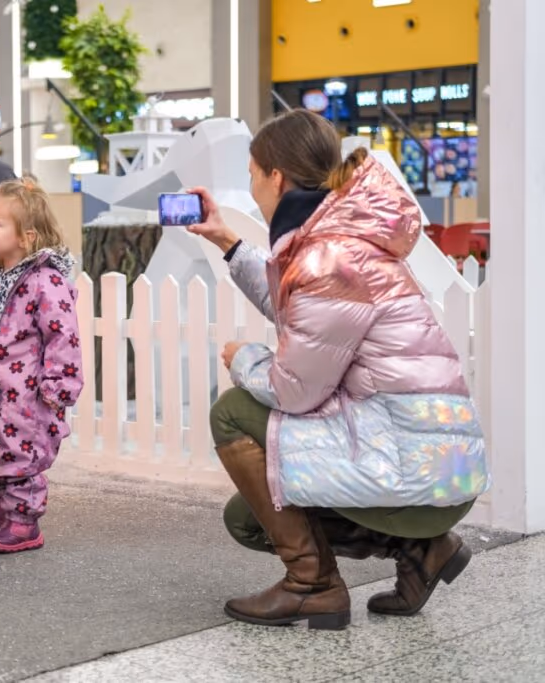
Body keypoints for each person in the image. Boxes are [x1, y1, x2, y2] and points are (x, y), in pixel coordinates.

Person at [187, 110, 489, 630]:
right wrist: (228, 244)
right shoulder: (338, 241)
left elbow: (295, 390)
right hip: (435, 465)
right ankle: (422, 552)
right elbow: (300, 309)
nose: (251, 184)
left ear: (275, 176)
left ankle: (313, 586)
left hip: (416, 469)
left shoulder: (329, 256)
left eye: (253, 172)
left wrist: (245, 358)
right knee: (248, 517)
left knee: (233, 412)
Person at [0, 178, 83, 553]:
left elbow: (64, 337)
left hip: (28, 397)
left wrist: (58, 387)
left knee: (20, 453)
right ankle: (2, 514)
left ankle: (23, 524)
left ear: (26, 237)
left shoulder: (45, 282)